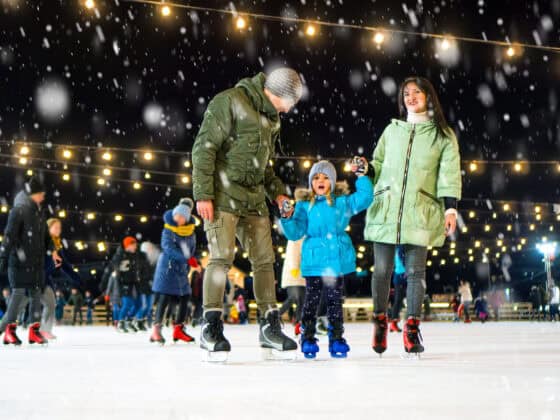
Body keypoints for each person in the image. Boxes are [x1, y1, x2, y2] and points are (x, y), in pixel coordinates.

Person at [192, 67, 304, 361]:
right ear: (279, 93)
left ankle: (270, 326)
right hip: (222, 196)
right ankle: (211, 326)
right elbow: (204, 148)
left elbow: (264, 167)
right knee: (221, 258)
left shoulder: (271, 118)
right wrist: (203, 193)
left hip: (254, 200)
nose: (291, 108)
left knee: (265, 261)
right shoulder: (229, 101)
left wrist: (278, 193)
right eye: (292, 100)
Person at [365, 76, 462, 357]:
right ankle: (381, 320)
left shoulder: (442, 135)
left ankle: (411, 327)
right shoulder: (392, 131)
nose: (411, 97)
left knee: (415, 273)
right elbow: (378, 163)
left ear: (428, 97)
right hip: (386, 209)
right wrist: (366, 168)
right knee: (382, 271)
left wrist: (450, 208)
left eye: (417, 92)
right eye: (406, 93)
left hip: (419, 210)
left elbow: (449, 174)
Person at [281, 160, 373, 359]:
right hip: (314, 262)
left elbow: (365, 198)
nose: (320, 181)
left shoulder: (342, 203)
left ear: (332, 181)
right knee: (311, 302)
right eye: (316, 178)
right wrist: (287, 218)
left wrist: (362, 176)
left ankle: (337, 338)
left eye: (324, 178)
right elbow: (295, 232)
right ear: (311, 183)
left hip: (335, 262)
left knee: (334, 302)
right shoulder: (305, 206)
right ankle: (307, 337)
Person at [0, 178, 61, 346]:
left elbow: (46, 236)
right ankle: (8, 331)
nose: (43, 197)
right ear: (32, 194)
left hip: (36, 263)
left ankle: (34, 331)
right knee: (18, 295)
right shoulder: (18, 210)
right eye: (41, 194)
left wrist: (53, 250)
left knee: (35, 294)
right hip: (20, 262)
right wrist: (3, 257)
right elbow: (9, 236)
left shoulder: (39, 212)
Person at [150, 198, 199, 345]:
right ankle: (156, 330)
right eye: (177, 216)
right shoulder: (168, 230)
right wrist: (186, 259)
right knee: (165, 297)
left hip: (181, 270)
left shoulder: (191, 233)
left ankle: (178, 329)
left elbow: (190, 251)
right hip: (167, 267)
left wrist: (190, 262)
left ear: (188, 217)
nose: (179, 219)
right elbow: (168, 248)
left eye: (183, 217)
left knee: (185, 297)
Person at [42, 217, 81, 339]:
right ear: (48, 228)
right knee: (18, 305)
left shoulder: (57, 245)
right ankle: (6, 327)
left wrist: (76, 278)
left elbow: (64, 264)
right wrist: (52, 264)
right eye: (56, 227)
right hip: (33, 278)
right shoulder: (41, 242)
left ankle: (44, 330)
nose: (59, 230)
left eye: (60, 228)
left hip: (45, 279)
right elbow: (40, 262)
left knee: (51, 303)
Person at [108, 236, 149, 333]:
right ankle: (121, 322)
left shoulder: (137, 255)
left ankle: (129, 320)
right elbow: (113, 267)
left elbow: (141, 268)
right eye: (133, 245)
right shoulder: (120, 255)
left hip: (136, 282)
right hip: (124, 283)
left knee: (139, 304)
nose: (135, 246)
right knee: (127, 303)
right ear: (128, 246)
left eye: (135, 244)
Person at [279, 237, 306, 334]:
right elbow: (292, 253)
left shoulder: (304, 235)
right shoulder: (296, 235)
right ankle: (276, 315)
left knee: (301, 301)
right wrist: (294, 267)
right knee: (294, 298)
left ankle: (299, 324)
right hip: (293, 274)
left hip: (302, 275)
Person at [135, 241, 160, 330]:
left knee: (149, 307)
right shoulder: (141, 260)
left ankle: (141, 322)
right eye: (148, 248)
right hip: (143, 287)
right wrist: (147, 279)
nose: (150, 250)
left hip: (151, 287)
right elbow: (139, 275)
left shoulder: (153, 261)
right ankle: (137, 321)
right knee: (144, 306)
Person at [389, 246, 406, 332]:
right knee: (398, 300)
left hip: (400, 274)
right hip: (401, 275)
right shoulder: (400, 247)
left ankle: (394, 322)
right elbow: (402, 258)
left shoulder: (398, 247)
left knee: (399, 300)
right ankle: (393, 322)